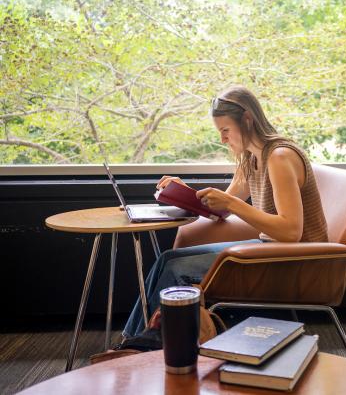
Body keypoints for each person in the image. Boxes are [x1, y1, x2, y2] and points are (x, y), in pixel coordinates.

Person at [123, 85, 328, 337]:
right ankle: (132, 341)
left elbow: (291, 232)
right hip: (270, 249)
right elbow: (222, 209)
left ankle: (144, 346)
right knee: (168, 259)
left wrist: (231, 204)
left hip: (295, 259)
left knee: (176, 269)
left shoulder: (280, 157)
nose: (222, 139)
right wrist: (185, 194)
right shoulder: (251, 157)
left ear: (248, 120)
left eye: (225, 130)